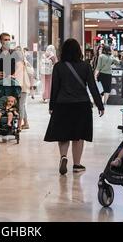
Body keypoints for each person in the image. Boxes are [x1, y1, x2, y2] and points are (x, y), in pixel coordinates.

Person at [44, 39, 104, 175]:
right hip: (81, 105)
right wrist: (100, 105)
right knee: (78, 136)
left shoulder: (58, 66)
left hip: (62, 104)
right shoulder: (85, 66)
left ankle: (63, 156)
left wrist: (51, 105)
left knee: (63, 134)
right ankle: (77, 164)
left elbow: (55, 88)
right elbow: (92, 87)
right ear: (79, 51)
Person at [0, 33, 24, 101]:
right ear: (1, 41)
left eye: (9, 39)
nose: (7, 41)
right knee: (0, 105)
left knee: (12, 106)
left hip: (12, 83)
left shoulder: (14, 53)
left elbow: (20, 66)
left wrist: (14, 75)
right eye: (5, 39)